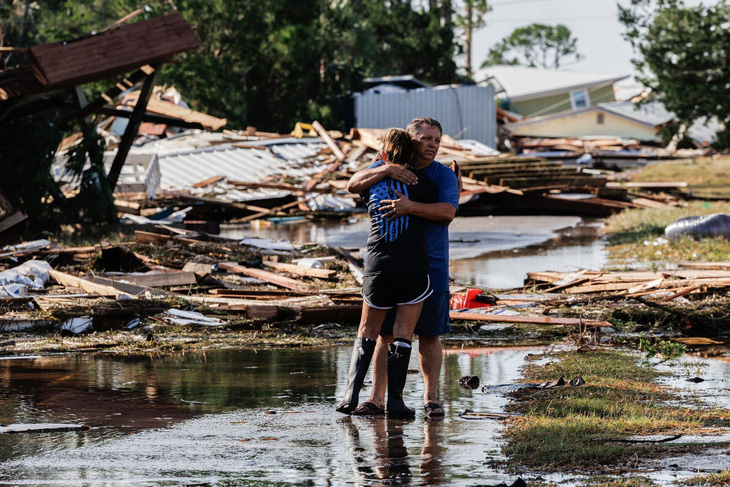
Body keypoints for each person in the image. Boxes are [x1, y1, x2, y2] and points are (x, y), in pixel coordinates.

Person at [346, 117, 460, 419]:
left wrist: (410, 207)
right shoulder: (384, 167)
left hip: (432, 264)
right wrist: (385, 168)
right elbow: (353, 184)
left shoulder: (441, 176)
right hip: (391, 264)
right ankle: (376, 398)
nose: (432, 145)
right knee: (385, 334)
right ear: (411, 141)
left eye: (437, 139)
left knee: (430, 333)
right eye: (425, 139)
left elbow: (448, 212)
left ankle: (430, 397)